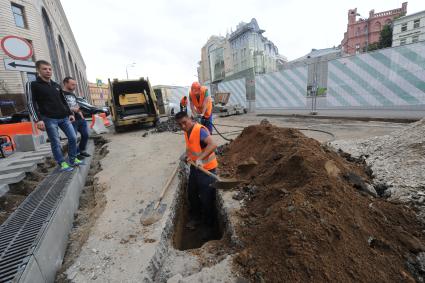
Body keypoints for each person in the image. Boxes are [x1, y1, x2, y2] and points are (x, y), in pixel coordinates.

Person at [26, 60, 85, 171]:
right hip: (48, 119)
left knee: (73, 137)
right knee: (56, 142)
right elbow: (30, 103)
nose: (48, 71)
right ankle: (62, 163)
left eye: (49, 69)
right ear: (38, 70)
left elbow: (63, 101)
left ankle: (72, 159)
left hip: (64, 117)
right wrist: (37, 119)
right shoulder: (32, 84)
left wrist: (69, 113)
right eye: (44, 69)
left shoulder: (56, 85)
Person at [175, 111, 218, 235]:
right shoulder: (186, 132)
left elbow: (213, 144)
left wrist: (200, 159)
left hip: (207, 169)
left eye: (184, 122)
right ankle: (196, 218)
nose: (183, 126)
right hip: (195, 168)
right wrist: (186, 155)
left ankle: (209, 226)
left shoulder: (200, 130)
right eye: (180, 125)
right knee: (192, 194)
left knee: (206, 198)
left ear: (190, 118)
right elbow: (191, 148)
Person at [63, 77, 91, 159]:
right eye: (72, 84)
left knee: (85, 135)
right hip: (71, 120)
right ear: (65, 83)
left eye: (75, 84)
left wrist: (81, 114)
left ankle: (81, 151)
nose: (74, 86)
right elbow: (62, 106)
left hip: (80, 118)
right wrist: (73, 109)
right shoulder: (61, 94)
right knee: (73, 138)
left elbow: (76, 104)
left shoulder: (73, 94)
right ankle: (74, 155)